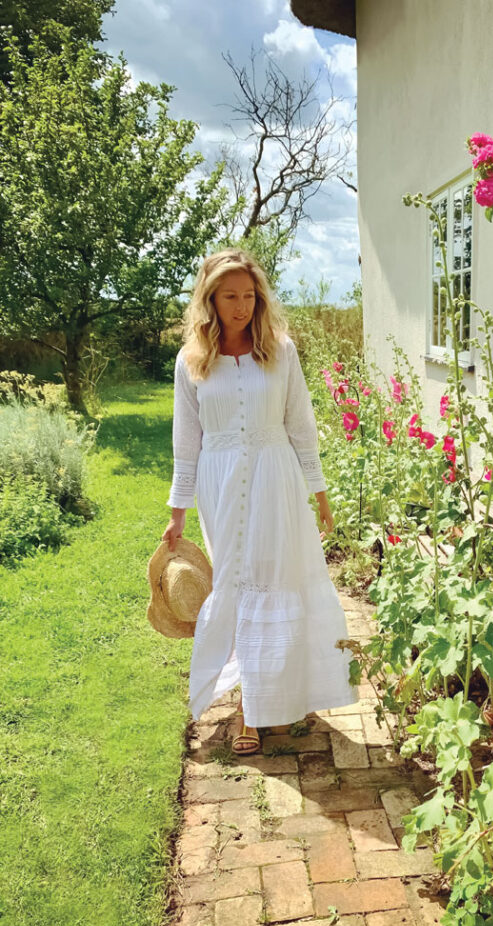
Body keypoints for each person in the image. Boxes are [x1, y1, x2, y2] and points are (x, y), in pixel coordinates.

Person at [162, 248, 359, 754]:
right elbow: (186, 442)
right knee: (238, 583)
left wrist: (320, 493)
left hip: (277, 477)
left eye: (249, 295)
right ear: (210, 299)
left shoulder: (281, 350)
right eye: (230, 296)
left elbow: (301, 425)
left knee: (279, 578)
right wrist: (177, 512)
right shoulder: (191, 362)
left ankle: (283, 693)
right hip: (219, 481)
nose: (242, 306)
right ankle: (248, 707)